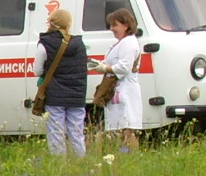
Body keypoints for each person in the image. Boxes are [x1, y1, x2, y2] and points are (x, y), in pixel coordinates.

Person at [33, 8, 88, 157]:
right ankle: (81, 163)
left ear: (50, 22)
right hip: (77, 95)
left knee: (56, 132)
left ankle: (59, 165)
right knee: (77, 133)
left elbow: (37, 70)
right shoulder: (79, 44)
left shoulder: (44, 43)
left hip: (55, 95)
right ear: (68, 24)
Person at [98, 8, 144, 153]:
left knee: (127, 128)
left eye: (115, 25)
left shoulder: (128, 43)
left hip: (125, 90)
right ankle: (124, 155)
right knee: (120, 128)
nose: (112, 29)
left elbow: (124, 68)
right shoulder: (121, 43)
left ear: (126, 25)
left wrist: (105, 68)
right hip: (118, 90)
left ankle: (133, 157)